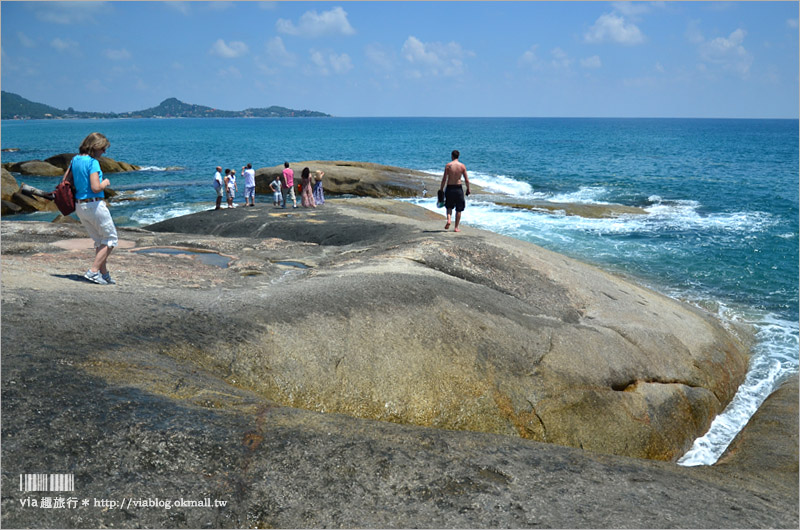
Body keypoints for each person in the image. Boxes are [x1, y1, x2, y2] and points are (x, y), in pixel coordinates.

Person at [69, 132, 118, 285]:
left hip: (80, 205)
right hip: (94, 204)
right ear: (95, 147)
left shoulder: (75, 160)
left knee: (99, 241)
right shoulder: (93, 162)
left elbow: (68, 181)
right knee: (110, 239)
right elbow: (96, 187)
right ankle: (93, 271)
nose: (104, 152)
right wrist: (105, 183)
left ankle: (104, 275)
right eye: (103, 148)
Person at [439, 149, 470, 232]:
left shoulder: (448, 165)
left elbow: (444, 179)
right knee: (459, 208)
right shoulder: (462, 166)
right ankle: (456, 227)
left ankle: (449, 219)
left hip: (449, 188)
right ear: (458, 156)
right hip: (458, 188)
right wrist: (468, 189)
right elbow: (467, 180)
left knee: (449, 206)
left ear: (452, 156)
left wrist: (441, 189)